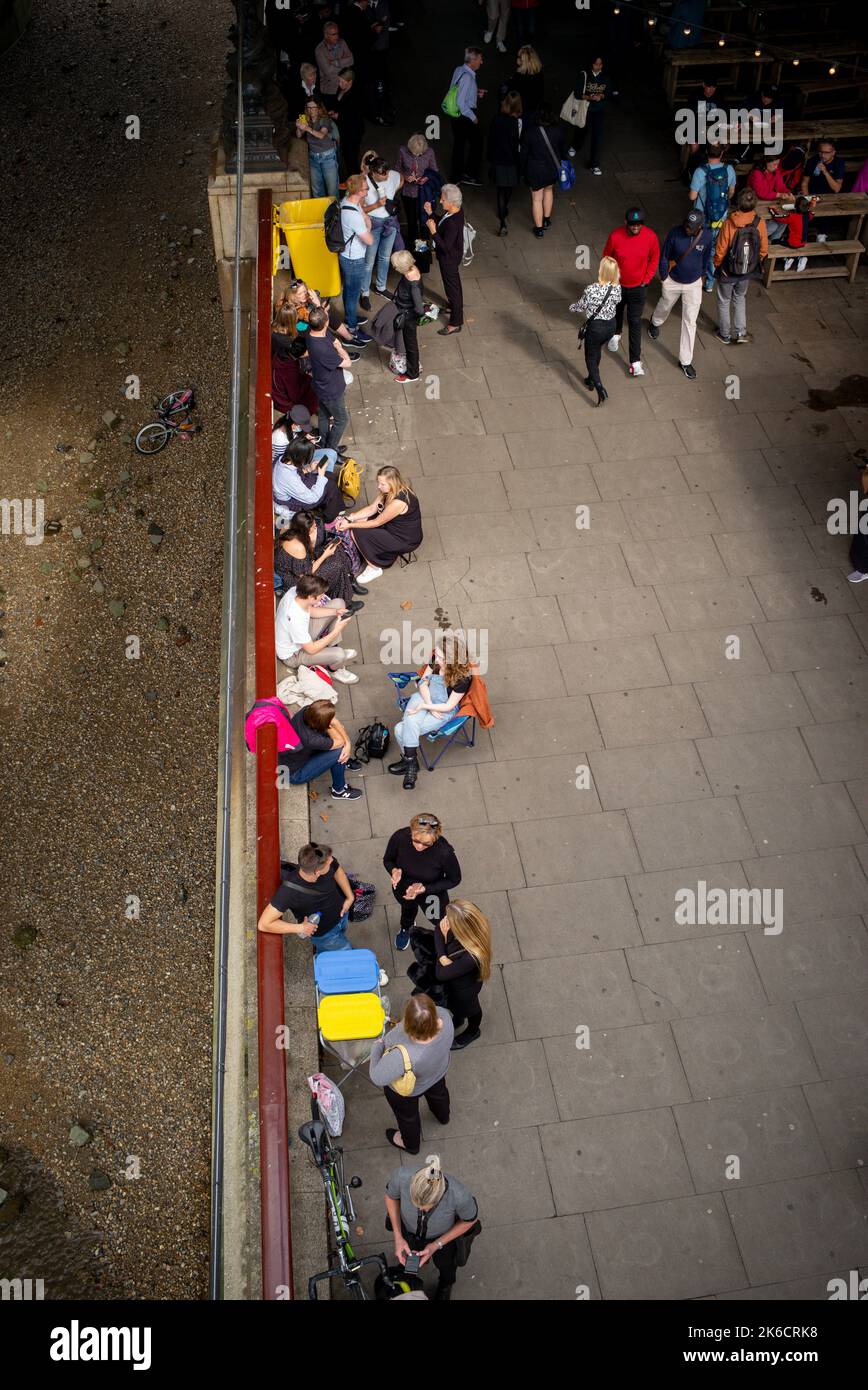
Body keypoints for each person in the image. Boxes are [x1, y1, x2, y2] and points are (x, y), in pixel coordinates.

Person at [384, 1153, 481, 1300]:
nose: (422, 1211)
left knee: (447, 1265)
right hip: (408, 1232)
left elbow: (470, 1220)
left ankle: (445, 1284)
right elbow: (391, 1196)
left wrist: (437, 1244)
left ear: (441, 1195)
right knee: (408, 1257)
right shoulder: (401, 1176)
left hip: (443, 1239)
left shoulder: (459, 1196)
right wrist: (398, 1236)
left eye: (427, 1208)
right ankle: (406, 1273)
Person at [369, 995, 454, 1155]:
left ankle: (411, 1144)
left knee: (407, 1117)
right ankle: (443, 1116)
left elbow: (376, 1076)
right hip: (437, 1072)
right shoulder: (445, 1017)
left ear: (409, 1026)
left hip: (410, 1090)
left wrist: (376, 1048)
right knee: (439, 1094)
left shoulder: (403, 1056)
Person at [388, 637, 474, 789]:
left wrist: (427, 707)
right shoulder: (436, 659)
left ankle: (409, 763)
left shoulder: (462, 679)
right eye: (438, 655)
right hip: (425, 698)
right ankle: (411, 765)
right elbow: (422, 682)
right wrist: (429, 705)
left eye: (442, 657)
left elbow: (448, 706)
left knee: (400, 729)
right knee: (410, 724)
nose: (437, 659)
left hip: (443, 710)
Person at [257, 842, 359, 953]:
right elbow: (264, 924)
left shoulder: (323, 858)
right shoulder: (289, 892)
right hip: (325, 935)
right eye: (329, 862)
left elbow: (337, 870)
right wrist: (301, 928)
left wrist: (350, 897)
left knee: (339, 942)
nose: (332, 860)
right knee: (346, 953)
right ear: (317, 872)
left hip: (342, 915)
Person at [648, 209, 712, 379]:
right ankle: (655, 321)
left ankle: (685, 361)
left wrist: (703, 275)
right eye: (686, 224)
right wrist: (663, 276)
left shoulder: (706, 236)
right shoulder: (675, 233)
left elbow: (706, 257)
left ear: (699, 227)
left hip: (693, 283)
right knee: (665, 304)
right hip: (673, 280)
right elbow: (664, 255)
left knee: (690, 322)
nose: (687, 228)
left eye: (691, 227)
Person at [384, 813, 462, 953]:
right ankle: (406, 927)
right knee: (407, 911)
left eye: (426, 844)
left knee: (438, 920)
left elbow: (454, 879)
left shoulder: (444, 852)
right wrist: (394, 870)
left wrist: (425, 888)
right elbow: (388, 860)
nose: (419, 847)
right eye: (416, 840)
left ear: (435, 838)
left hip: (431, 894)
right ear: (411, 831)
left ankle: (444, 941)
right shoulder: (400, 837)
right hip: (404, 888)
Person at [334, 465, 423, 584]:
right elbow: (372, 509)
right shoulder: (390, 491)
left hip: (404, 539)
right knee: (358, 521)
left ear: (392, 483)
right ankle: (372, 550)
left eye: (382, 484)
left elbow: (377, 522)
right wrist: (349, 518)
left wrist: (350, 525)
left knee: (356, 531)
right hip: (393, 527)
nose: (379, 486)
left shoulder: (398, 502)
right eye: (379, 482)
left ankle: (374, 567)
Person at [602, 207, 659, 377]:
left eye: (639, 224)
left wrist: (647, 279)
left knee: (634, 322)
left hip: (638, 288)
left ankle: (635, 361)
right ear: (626, 222)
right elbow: (607, 257)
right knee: (616, 312)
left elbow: (654, 257)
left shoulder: (650, 237)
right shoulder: (615, 236)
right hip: (618, 285)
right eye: (633, 224)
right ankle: (616, 334)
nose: (636, 227)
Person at [274, 572, 359, 684]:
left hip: (302, 638)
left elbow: (311, 611)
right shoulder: (295, 618)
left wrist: (335, 612)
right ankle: (334, 669)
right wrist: (336, 631)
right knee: (340, 654)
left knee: (339, 603)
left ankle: (330, 652)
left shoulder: (296, 592)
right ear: (310, 597)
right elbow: (311, 649)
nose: (323, 596)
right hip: (293, 655)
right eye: (320, 595)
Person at [713, 187, 768, 347]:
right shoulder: (760, 222)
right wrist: (753, 262)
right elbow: (764, 248)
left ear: (738, 203)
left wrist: (717, 264)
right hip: (747, 271)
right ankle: (741, 332)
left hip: (728, 270)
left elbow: (721, 249)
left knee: (724, 300)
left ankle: (725, 334)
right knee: (740, 298)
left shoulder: (730, 223)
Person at [274, 700, 364, 800]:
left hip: (297, 756)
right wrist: (347, 744)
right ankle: (339, 790)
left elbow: (336, 725)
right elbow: (340, 740)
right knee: (340, 751)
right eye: (330, 718)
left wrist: (348, 743)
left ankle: (342, 761)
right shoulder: (311, 739)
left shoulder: (307, 711)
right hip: (294, 773)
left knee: (336, 736)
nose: (333, 719)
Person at [275, 510, 363, 610]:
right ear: (305, 530)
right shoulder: (298, 547)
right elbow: (306, 574)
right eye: (313, 526)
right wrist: (325, 555)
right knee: (336, 564)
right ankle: (345, 602)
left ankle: (347, 584)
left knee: (338, 552)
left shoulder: (290, 527)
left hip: (301, 565)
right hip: (296, 582)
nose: (315, 526)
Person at [435, 900, 492, 1050]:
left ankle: (473, 1031)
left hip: (464, 990)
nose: (444, 921)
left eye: (448, 920)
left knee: (471, 1009)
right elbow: (437, 930)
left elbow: (441, 974)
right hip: (456, 983)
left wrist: (442, 953)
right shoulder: (468, 931)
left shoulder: (470, 957)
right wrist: (444, 957)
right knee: (456, 1007)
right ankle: (459, 1019)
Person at [569, 255, 622, 406]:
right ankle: (591, 378)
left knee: (590, 358)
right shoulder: (617, 288)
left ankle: (598, 386)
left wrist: (571, 307)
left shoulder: (591, 289)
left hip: (595, 328)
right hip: (610, 326)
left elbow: (580, 306)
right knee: (597, 350)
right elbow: (617, 302)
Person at [305, 305, 353, 451]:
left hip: (320, 385)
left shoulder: (311, 332)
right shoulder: (324, 350)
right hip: (331, 390)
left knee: (324, 415)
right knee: (341, 420)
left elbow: (330, 336)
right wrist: (339, 348)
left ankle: (323, 442)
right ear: (326, 323)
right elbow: (348, 362)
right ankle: (331, 449)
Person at [689, 142, 735, 290]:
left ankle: (695, 278)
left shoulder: (700, 171)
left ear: (706, 153)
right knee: (714, 249)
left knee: (697, 247)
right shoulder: (729, 169)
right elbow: (731, 192)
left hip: (702, 218)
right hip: (720, 217)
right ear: (722, 153)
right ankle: (709, 282)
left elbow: (692, 196)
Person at [360, 153, 403, 307]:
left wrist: (394, 192)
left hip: (390, 222)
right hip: (373, 224)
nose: (386, 176)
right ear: (373, 172)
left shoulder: (392, 175)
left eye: (387, 172)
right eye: (382, 174)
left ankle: (381, 287)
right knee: (368, 261)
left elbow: (401, 179)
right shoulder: (364, 183)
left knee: (385, 257)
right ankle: (364, 292)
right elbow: (360, 209)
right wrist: (377, 205)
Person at [273, 435, 345, 526]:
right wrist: (321, 474)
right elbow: (312, 498)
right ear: (301, 458)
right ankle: (329, 518)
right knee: (330, 486)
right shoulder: (289, 478)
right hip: (291, 504)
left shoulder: (282, 458)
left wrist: (309, 469)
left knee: (329, 478)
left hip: (292, 487)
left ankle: (332, 505)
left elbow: (295, 472)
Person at [423, 183, 465, 335]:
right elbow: (442, 223)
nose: (440, 202)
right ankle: (454, 306)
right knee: (452, 286)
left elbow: (445, 246)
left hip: (449, 258)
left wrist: (433, 232)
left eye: (442, 200)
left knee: (453, 289)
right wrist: (431, 213)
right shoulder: (455, 213)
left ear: (452, 203)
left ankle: (455, 322)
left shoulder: (453, 223)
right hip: (450, 257)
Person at [337, 174, 375, 337]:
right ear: (359, 191)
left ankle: (349, 317)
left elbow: (365, 217)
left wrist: (366, 221)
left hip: (346, 256)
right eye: (366, 188)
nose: (368, 190)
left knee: (348, 290)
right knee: (353, 295)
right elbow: (370, 240)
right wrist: (367, 224)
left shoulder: (347, 201)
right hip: (354, 260)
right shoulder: (353, 215)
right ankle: (351, 328)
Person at [520, 105, 566, 238]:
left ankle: (539, 229)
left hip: (535, 171)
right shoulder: (558, 131)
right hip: (552, 169)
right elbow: (563, 151)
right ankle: (546, 220)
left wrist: (522, 171)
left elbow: (523, 154)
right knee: (549, 191)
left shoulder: (530, 132)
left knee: (536, 199)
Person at [447, 47, 485, 187]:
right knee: (477, 143)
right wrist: (473, 117)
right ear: (473, 60)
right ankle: (470, 174)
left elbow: (457, 91)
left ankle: (455, 175)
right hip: (464, 117)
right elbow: (461, 103)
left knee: (459, 145)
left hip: (455, 116)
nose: (482, 62)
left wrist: (475, 93)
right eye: (480, 59)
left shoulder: (459, 70)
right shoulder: (468, 78)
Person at [487, 92, 523, 236]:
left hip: (498, 159)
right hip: (511, 161)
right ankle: (504, 209)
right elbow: (517, 144)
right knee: (509, 188)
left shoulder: (496, 119)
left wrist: (490, 158)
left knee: (501, 190)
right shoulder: (516, 123)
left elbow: (491, 139)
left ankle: (502, 221)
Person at [397, 134, 439, 246]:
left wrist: (425, 178)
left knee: (424, 219)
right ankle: (414, 244)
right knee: (411, 220)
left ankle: (425, 244)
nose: (417, 155)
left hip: (424, 192)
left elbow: (434, 171)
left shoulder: (429, 152)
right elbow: (397, 169)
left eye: (420, 153)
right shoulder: (402, 151)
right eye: (414, 153)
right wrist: (406, 177)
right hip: (408, 192)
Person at [295, 98, 341, 199]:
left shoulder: (325, 120)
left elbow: (321, 135)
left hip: (328, 157)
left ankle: (335, 213)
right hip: (313, 157)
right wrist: (299, 127)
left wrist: (307, 128)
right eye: (309, 108)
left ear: (319, 108)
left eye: (313, 108)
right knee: (317, 190)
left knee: (332, 190)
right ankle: (321, 212)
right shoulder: (307, 120)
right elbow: (298, 135)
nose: (311, 110)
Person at [570, 55, 608, 176]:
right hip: (586, 109)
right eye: (596, 64)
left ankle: (594, 164)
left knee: (597, 136)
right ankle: (575, 145)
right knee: (582, 128)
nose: (598, 67)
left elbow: (609, 91)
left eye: (600, 64)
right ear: (591, 64)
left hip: (599, 110)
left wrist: (601, 96)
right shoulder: (584, 75)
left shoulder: (605, 77)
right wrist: (589, 97)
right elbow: (576, 93)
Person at [391, 249, 424, 384]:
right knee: (408, 342)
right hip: (406, 312)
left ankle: (413, 373)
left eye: (395, 265)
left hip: (408, 317)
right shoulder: (411, 270)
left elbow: (419, 309)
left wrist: (407, 314)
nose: (394, 267)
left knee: (411, 345)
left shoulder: (413, 284)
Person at [329, 67, 366, 180]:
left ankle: (355, 181)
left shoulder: (355, 95)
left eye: (342, 81)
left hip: (352, 132)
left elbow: (353, 116)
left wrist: (338, 116)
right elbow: (339, 105)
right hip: (344, 130)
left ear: (350, 81)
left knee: (352, 158)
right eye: (339, 80)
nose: (339, 83)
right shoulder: (341, 89)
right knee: (346, 156)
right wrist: (334, 111)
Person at [767, 193, 817, 274]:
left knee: (774, 241)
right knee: (786, 239)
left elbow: (777, 217)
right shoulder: (808, 215)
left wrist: (772, 209)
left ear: (795, 207)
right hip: (803, 243)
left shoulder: (792, 217)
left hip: (792, 243)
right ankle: (800, 257)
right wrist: (811, 205)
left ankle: (787, 258)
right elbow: (812, 213)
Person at [271, 336, 321, 417]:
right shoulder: (289, 370)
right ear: (304, 353)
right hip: (283, 401)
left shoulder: (283, 353)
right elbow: (294, 395)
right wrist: (308, 380)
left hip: (279, 385)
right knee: (314, 389)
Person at [748, 154, 792, 243]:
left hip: (768, 203)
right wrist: (779, 195)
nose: (776, 167)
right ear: (766, 162)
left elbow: (781, 186)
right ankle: (754, 241)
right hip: (755, 205)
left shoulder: (776, 171)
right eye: (774, 164)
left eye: (777, 164)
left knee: (785, 221)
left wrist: (788, 192)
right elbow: (760, 193)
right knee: (773, 226)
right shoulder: (756, 173)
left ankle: (772, 242)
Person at [315, 20, 353, 98]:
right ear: (326, 35)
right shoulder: (320, 50)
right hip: (330, 89)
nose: (337, 36)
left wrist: (335, 63)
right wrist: (345, 66)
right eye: (333, 34)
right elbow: (329, 72)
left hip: (346, 86)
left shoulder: (342, 42)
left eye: (337, 33)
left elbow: (351, 60)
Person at [505, 44, 544, 118]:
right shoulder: (539, 71)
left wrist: (510, 81)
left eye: (519, 58)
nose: (517, 59)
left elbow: (512, 90)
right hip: (535, 107)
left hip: (521, 109)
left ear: (525, 61)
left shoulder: (521, 76)